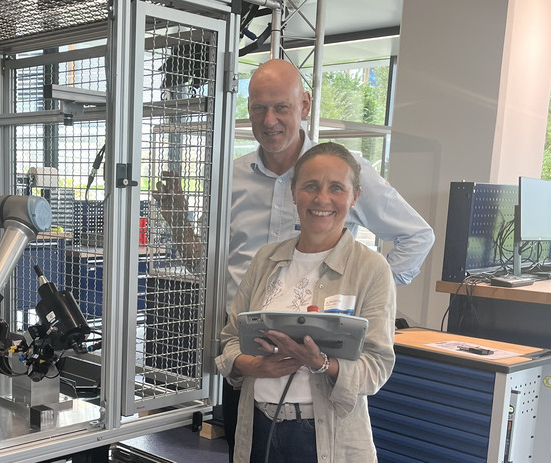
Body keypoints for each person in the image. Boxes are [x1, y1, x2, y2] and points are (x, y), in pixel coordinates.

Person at [153, 58, 433, 459]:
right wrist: (179, 220)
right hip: (251, 364)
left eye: (281, 107)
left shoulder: (345, 169)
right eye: (258, 108)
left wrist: (375, 291)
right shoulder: (230, 179)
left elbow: (417, 235)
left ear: (304, 105)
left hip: (323, 381)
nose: (270, 120)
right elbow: (206, 267)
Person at [216, 142, 396, 462]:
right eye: (310, 186)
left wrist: (321, 364)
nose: (322, 199)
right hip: (257, 426)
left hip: (324, 436)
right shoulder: (266, 259)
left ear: (354, 197)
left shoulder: (371, 269)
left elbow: (377, 367)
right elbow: (230, 339)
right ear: (294, 192)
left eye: (336, 188)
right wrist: (255, 366)